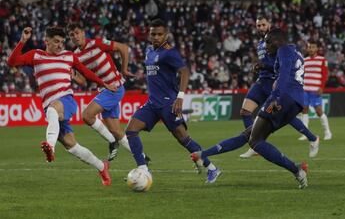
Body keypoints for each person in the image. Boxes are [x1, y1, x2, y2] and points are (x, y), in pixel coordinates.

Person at [191, 29, 309, 189]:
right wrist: (265, 67)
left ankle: (297, 170)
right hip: (296, 103)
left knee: (255, 141)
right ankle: (202, 154)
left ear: (277, 41)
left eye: (268, 42)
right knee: (248, 134)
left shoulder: (283, 50)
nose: (265, 46)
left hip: (284, 98)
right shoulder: (295, 51)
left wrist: (275, 98)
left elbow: (283, 76)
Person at [7, 26, 117, 186]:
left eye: (62, 42)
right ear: (47, 41)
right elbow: (12, 62)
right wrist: (23, 41)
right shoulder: (36, 55)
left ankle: (50, 147)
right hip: (51, 109)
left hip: (66, 101)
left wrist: (104, 84)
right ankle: (102, 167)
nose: (60, 45)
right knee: (72, 145)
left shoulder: (69, 56)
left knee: (53, 109)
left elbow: (86, 73)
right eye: (56, 42)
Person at [125, 19, 221, 183]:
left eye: (159, 34)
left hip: (168, 103)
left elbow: (184, 72)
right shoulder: (149, 51)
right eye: (153, 33)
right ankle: (143, 169)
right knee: (130, 130)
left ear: (166, 35)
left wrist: (180, 97)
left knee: (184, 139)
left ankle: (212, 168)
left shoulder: (170, 52)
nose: (156, 37)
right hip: (152, 103)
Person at [67, 23, 150, 163]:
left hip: (115, 88)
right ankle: (142, 157)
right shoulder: (76, 56)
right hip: (104, 90)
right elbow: (83, 81)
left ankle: (112, 142)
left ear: (82, 33)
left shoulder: (97, 43)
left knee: (87, 116)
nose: (75, 37)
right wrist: (74, 76)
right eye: (71, 35)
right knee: (117, 131)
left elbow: (123, 48)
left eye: (77, 33)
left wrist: (124, 70)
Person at [240, 16, 319, 158]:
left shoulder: (277, 42)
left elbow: (282, 66)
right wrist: (258, 66)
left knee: (284, 115)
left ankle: (312, 137)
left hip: (274, 82)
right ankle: (255, 144)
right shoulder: (260, 44)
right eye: (258, 26)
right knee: (245, 111)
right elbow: (266, 61)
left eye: (263, 25)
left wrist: (265, 66)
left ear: (269, 24)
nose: (260, 28)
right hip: (262, 81)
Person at [298, 41, 332, 141]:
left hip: (316, 89)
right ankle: (305, 134)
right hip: (305, 89)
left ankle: (327, 132)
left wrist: (321, 87)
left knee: (319, 111)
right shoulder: (305, 60)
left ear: (317, 49)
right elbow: (302, 74)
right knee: (304, 110)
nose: (311, 49)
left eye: (313, 47)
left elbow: (325, 74)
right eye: (309, 47)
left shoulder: (322, 60)